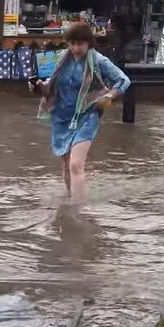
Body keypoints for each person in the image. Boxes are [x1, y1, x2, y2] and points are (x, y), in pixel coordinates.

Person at [30, 22, 130, 204]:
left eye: (80, 44)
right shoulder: (62, 58)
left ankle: (79, 209)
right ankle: (70, 202)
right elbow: (51, 84)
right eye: (72, 43)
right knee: (67, 166)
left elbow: (123, 80)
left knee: (76, 165)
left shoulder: (99, 61)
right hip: (61, 116)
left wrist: (108, 96)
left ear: (88, 43)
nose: (76, 48)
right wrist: (39, 88)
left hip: (86, 115)